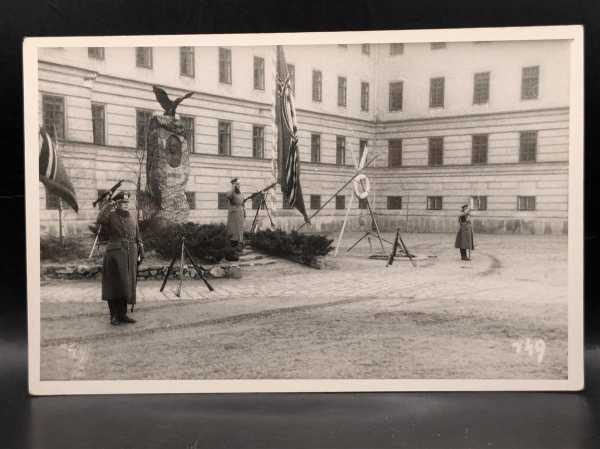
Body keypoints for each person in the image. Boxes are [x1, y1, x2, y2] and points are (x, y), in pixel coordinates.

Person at [96, 191, 144, 325]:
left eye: (127, 202)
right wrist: (108, 204)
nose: (125, 205)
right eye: (122, 202)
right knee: (114, 285)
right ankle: (114, 316)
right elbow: (99, 219)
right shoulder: (110, 216)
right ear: (117, 204)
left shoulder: (132, 217)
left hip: (131, 254)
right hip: (115, 254)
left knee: (127, 285)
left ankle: (123, 314)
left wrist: (141, 247)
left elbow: (137, 234)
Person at [226, 178, 246, 251]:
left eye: (239, 184)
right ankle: (232, 245)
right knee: (233, 230)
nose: (238, 186)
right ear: (233, 185)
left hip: (240, 213)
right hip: (233, 215)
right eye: (237, 184)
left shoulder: (241, 193)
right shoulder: (230, 192)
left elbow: (243, 204)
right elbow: (228, 196)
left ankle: (240, 244)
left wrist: (245, 213)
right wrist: (233, 188)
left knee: (240, 230)